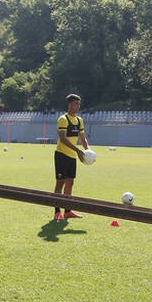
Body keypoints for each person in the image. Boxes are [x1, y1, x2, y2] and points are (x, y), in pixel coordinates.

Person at [52, 93, 90, 221]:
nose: (78, 106)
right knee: (60, 183)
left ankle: (67, 211)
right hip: (61, 155)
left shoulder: (79, 120)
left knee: (70, 183)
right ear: (69, 104)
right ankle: (57, 212)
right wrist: (78, 150)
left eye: (79, 104)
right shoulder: (63, 119)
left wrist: (88, 150)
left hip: (72, 156)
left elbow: (82, 138)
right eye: (76, 104)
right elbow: (63, 138)